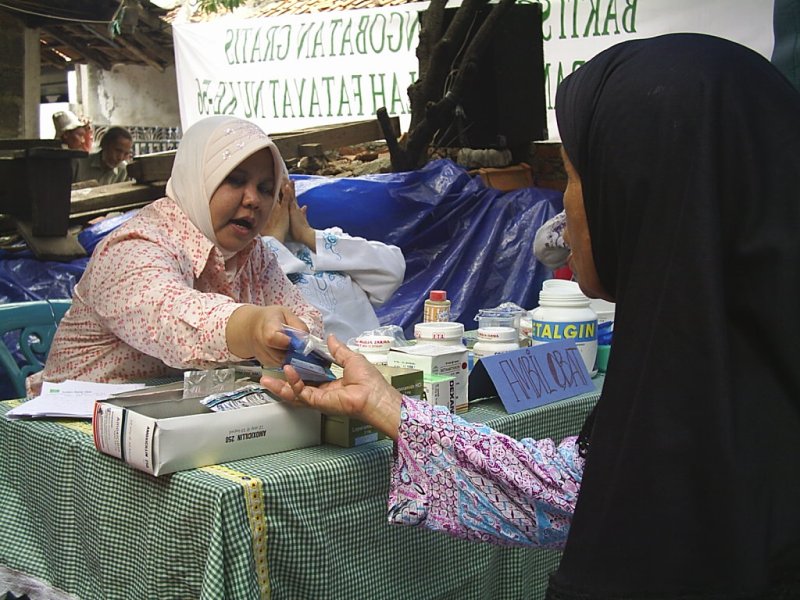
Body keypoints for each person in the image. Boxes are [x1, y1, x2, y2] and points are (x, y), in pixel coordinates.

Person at [261, 34, 800, 599]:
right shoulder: (705, 378)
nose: (563, 205)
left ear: (642, 188)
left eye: (573, 176)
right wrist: (384, 405)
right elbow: (578, 491)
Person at [31, 116, 322, 395]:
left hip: (173, 420)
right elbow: (173, 319)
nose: (253, 199)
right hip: (75, 425)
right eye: (234, 180)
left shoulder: (252, 254)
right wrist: (251, 327)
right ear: (197, 180)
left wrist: (293, 335)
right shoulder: (133, 246)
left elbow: (304, 317)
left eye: (265, 188)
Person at [261, 181, 405, 341]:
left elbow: (393, 270)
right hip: (315, 363)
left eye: (276, 194)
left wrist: (308, 234)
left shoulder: (325, 241)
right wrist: (271, 241)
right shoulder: (245, 262)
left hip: (374, 357)